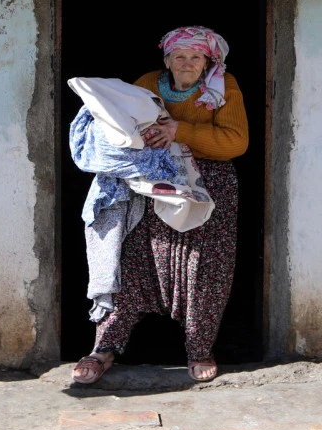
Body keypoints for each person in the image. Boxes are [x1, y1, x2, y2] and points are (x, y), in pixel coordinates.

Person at [72, 26, 249, 384]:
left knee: (203, 271)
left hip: (207, 192)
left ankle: (199, 349)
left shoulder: (224, 87)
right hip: (152, 187)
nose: (187, 63)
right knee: (129, 261)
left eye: (195, 57)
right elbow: (120, 118)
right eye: (179, 56)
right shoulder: (148, 82)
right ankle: (103, 347)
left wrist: (179, 131)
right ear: (166, 60)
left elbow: (235, 142)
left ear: (208, 61)